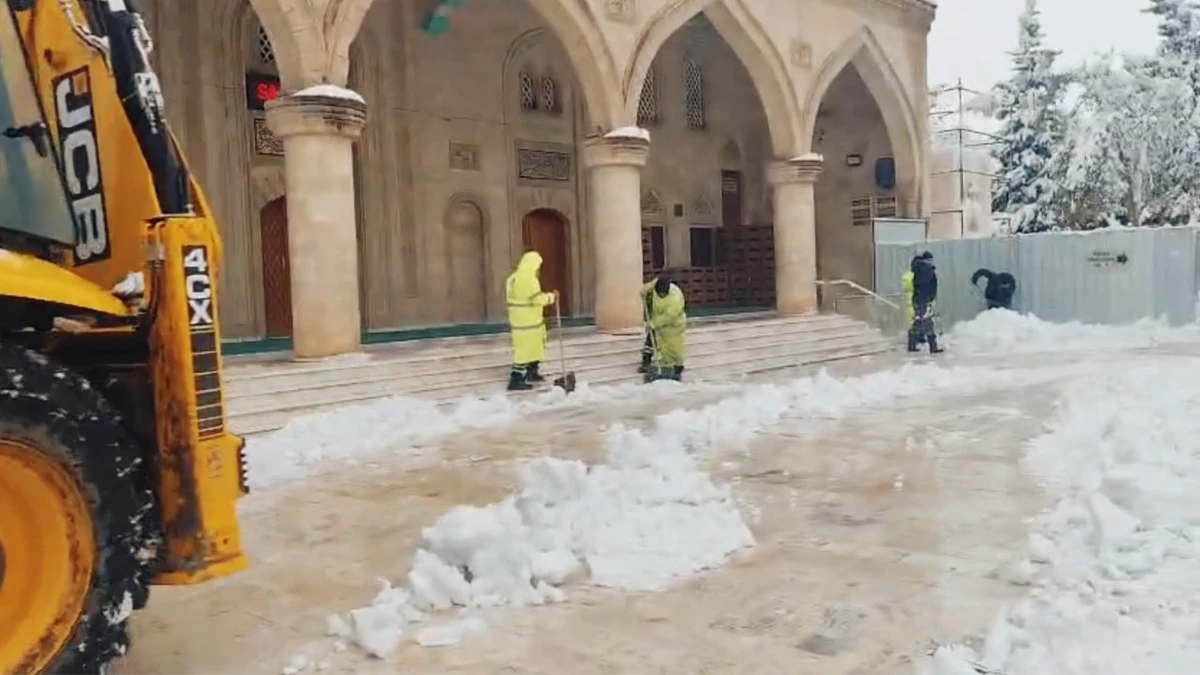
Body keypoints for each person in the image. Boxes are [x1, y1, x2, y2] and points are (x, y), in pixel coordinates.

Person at [505, 251, 558, 391]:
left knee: (529, 348)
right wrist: (551, 297)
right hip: (530, 322)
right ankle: (516, 379)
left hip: (519, 322)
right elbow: (537, 300)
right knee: (526, 351)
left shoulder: (512, 279)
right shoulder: (530, 280)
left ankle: (532, 372)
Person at [641, 276, 687, 381]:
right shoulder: (657, 284)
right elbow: (650, 285)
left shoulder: (675, 298)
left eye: (663, 294)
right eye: (659, 294)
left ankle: (677, 367)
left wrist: (654, 324)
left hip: (674, 326)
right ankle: (664, 366)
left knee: (674, 348)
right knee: (661, 346)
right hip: (660, 327)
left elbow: (670, 316)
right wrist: (644, 291)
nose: (661, 296)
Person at [903, 251, 942, 354]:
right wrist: (928, 298)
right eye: (930, 259)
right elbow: (926, 286)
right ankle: (931, 346)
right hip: (922, 300)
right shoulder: (925, 270)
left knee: (922, 322)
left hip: (921, 300)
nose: (931, 261)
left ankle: (915, 344)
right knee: (925, 322)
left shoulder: (920, 269)